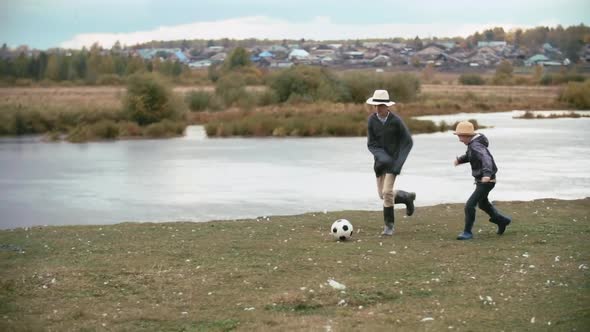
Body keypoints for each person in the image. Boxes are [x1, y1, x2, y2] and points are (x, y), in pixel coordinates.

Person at [366, 89, 416, 236]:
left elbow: (408, 142)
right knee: (383, 195)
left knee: (387, 192)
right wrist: (382, 157)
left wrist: (398, 162)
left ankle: (389, 226)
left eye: (380, 105)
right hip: (380, 164)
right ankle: (406, 197)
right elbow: (371, 145)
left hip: (393, 165)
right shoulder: (371, 120)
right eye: (375, 105)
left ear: (387, 106)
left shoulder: (396, 121)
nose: (377, 108)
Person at [453, 121, 512, 240]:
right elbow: (470, 155)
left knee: (469, 205)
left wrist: (487, 174)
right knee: (483, 204)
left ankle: (467, 232)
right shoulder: (473, 145)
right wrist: (460, 160)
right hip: (482, 180)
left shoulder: (476, 146)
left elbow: (486, 159)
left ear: (467, 135)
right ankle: (502, 221)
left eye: (460, 136)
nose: (459, 139)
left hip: (486, 181)